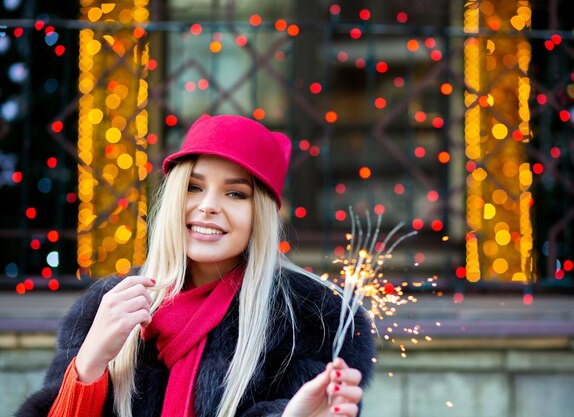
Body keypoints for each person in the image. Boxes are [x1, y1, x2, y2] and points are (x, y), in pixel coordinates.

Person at [16, 114, 376, 417]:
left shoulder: (314, 319)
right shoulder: (109, 303)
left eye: (235, 193)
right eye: (193, 187)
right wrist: (90, 363)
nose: (208, 206)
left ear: (261, 214)